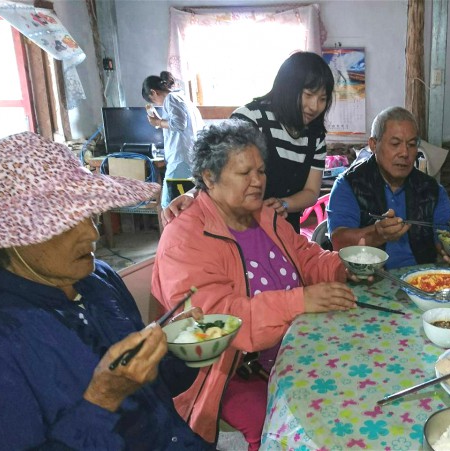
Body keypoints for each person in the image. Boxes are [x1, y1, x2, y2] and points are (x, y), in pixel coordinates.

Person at [0, 132, 209, 449]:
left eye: (89, 213)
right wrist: (102, 398)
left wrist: (180, 349)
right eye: (64, 223)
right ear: (9, 240)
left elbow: (154, 392)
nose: (91, 233)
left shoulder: (98, 278)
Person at [151, 119, 363, 447]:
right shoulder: (185, 237)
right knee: (284, 423)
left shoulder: (264, 216)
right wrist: (299, 301)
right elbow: (215, 323)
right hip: (228, 371)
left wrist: (343, 267)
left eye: (261, 171)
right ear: (209, 178)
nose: (257, 182)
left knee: (352, 385)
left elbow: (307, 258)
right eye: (244, 173)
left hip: (290, 349)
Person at [164, 52, 335, 233]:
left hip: (284, 229)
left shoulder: (315, 136)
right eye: (308, 94)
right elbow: (219, 174)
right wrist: (192, 194)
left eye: (322, 99)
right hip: (239, 226)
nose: (314, 106)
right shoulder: (251, 119)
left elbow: (311, 192)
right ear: (288, 88)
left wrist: (284, 204)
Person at [327, 106, 450, 269]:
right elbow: (339, 241)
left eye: (411, 144)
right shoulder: (349, 184)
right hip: (368, 280)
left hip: (421, 279)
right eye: (395, 144)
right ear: (374, 144)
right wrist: (377, 234)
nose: (404, 153)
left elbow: (443, 240)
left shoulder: (432, 191)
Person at [143, 70, 203, 208]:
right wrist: (160, 121)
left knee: (168, 205)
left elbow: (178, 124)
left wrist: (157, 123)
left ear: (153, 92)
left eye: (152, 100)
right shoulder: (182, 97)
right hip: (189, 156)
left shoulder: (171, 99)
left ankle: (171, 230)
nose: (156, 102)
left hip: (180, 158)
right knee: (186, 202)